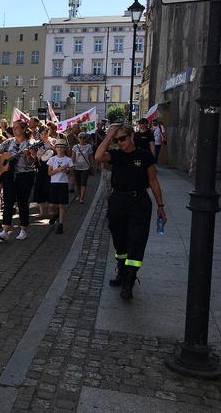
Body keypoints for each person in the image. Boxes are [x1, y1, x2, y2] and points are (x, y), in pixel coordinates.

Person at [95, 123, 167, 300]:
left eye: (123, 138)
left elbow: (153, 181)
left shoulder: (144, 156)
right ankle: (121, 270)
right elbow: (97, 157)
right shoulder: (116, 155)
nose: (120, 142)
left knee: (136, 239)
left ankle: (130, 280)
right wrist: (108, 136)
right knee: (119, 240)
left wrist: (160, 206)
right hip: (118, 200)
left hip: (139, 202)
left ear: (131, 136)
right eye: (117, 140)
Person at [0, 120, 37, 242]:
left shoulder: (31, 143)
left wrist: (29, 155)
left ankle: (23, 229)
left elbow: (31, 162)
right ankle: (5, 230)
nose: (14, 130)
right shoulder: (9, 142)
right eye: (13, 128)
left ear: (24, 129)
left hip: (25, 175)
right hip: (9, 175)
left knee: (22, 202)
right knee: (7, 201)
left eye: (17, 128)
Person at [47, 140, 73, 234]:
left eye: (62, 147)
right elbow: (49, 173)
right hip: (54, 183)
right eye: (58, 147)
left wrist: (67, 170)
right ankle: (56, 214)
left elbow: (71, 172)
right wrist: (58, 169)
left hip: (63, 183)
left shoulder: (68, 160)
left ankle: (60, 224)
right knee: (52, 205)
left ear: (65, 148)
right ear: (56, 148)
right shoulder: (52, 159)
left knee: (62, 204)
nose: (60, 149)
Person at [33, 126, 55, 218]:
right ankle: (41, 211)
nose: (44, 135)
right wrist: (37, 156)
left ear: (48, 133)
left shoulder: (53, 141)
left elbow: (59, 151)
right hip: (41, 168)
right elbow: (34, 157)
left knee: (50, 188)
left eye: (45, 133)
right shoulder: (37, 144)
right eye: (42, 134)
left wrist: (51, 146)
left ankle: (50, 208)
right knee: (40, 189)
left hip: (51, 168)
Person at [72, 132, 94, 204]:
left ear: (86, 138)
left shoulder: (89, 146)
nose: (82, 139)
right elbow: (73, 158)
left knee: (83, 183)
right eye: (80, 137)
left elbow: (91, 158)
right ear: (78, 138)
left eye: (83, 137)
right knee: (78, 183)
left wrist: (92, 165)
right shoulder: (75, 147)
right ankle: (79, 195)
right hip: (76, 167)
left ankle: (82, 198)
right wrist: (72, 165)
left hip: (85, 168)